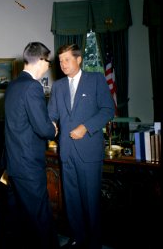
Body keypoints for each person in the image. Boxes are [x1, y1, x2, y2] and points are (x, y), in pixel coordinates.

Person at [48, 44, 115, 249]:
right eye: (60, 61)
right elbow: (52, 113)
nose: (62, 64)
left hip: (89, 152)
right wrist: (51, 123)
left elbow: (108, 110)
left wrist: (86, 127)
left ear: (79, 60)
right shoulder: (58, 86)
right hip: (66, 151)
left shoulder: (95, 80)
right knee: (72, 199)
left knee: (90, 201)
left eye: (66, 60)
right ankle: (78, 237)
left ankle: (94, 242)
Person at [2, 42, 59, 249]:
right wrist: (52, 128)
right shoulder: (33, 86)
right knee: (39, 217)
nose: (48, 66)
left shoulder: (13, 85)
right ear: (42, 60)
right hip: (28, 165)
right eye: (49, 62)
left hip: (13, 163)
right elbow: (43, 128)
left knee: (15, 217)